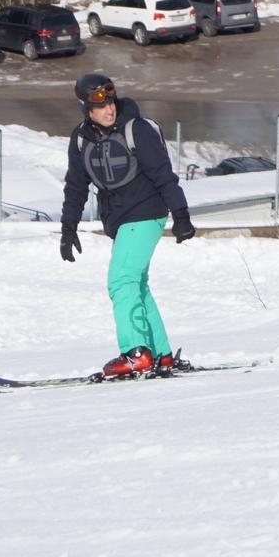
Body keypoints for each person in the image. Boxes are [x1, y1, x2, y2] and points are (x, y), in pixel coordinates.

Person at [60, 73, 196, 377]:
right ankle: (160, 354)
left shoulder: (137, 129)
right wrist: (68, 228)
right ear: (86, 108)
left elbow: (163, 174)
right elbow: (76, 186)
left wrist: (181, 214)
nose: (109, 110)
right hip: (119, 219)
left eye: (111, 102)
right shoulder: (80, 138)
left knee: (121, 281)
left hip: (147, 211)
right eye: (101, 106)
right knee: (136, 284)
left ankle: (136, 353)